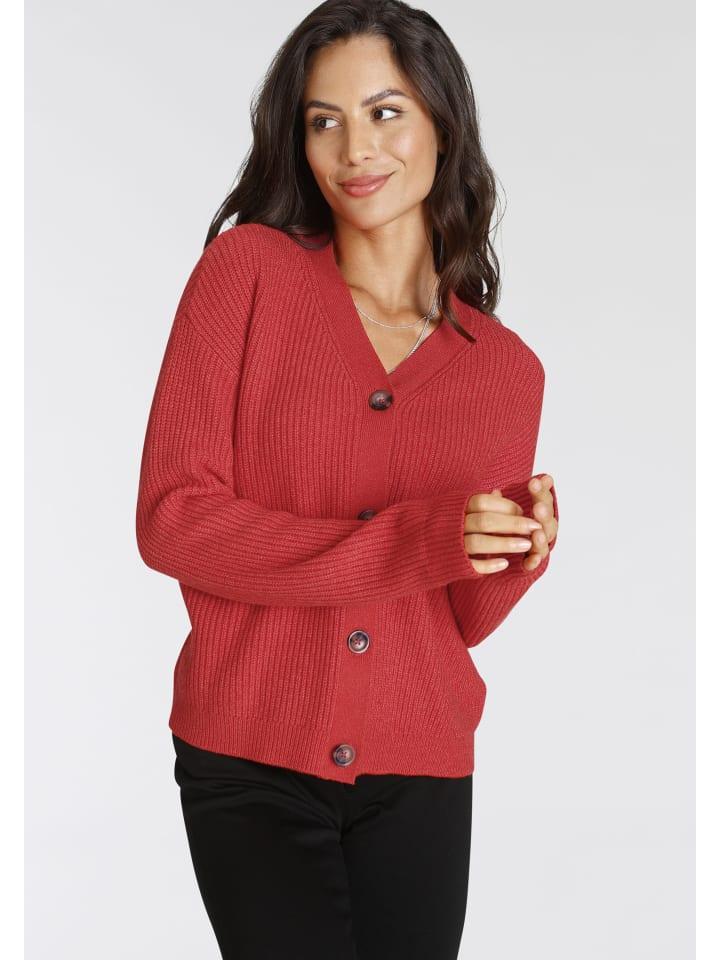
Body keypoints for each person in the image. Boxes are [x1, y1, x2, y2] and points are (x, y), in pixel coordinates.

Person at [135, 1, 559, 957]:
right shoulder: (246, 276)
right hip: (250, 753)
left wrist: (511, 555)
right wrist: (415, 538)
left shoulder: (505, 370)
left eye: (385, 112)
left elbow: (455, 619)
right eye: (323, 121)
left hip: (423, 763)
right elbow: (173, 520)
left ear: (443, 123)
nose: (354, 149)